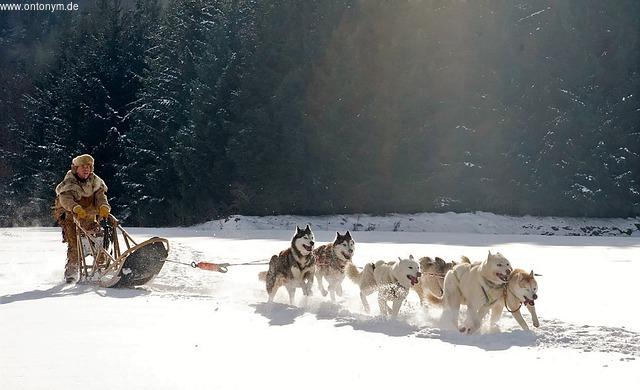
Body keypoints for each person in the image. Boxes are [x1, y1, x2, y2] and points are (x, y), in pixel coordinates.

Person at [53, 154, 111, 282]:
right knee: (75, 245)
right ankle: (71, 273)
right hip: (71, 219)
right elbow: (65, 199)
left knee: (99, 238)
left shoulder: (96, 182)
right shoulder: (68, 183)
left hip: (89, 218)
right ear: (76, 168)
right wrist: (75, 208)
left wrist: (104, 207)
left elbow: (101, 197)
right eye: (83, 167)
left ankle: (101, 267)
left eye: (89, 167)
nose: (86, 169)